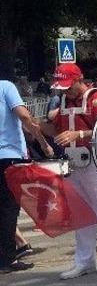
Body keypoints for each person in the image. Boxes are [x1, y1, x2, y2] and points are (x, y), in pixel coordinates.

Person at [40, 64, 97, 279]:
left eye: (68, 86)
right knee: (81, 213)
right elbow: (56, 129)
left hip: (95, 161)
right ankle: (84, 261)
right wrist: (35, 126)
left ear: (79, 79)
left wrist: (78, 134)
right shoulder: (62, 101)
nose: (65, 91)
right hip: (73, 161)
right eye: (62, 87)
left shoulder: (96, 97)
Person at [1, 78, 51, 271]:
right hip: (9, 156)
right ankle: (7, 259)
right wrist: (43, 143)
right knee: (8, 208)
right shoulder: (6, 87)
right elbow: (24, 116)